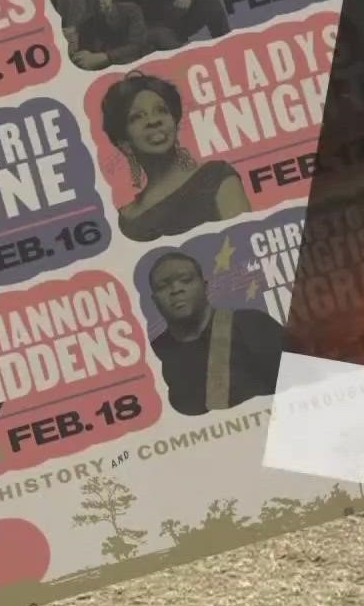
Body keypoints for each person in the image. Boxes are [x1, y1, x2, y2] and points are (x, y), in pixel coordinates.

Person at [99, 72, 250, 243]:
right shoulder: (126, 220)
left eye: (161, 111)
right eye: (137, 117)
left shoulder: (215, 178)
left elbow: (245, 245)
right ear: (124, 143)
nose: (153, 121)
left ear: (174, 123)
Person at [145, 252, 284, 415]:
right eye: (163, 286)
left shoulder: (253, 325)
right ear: (155, 300)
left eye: (186, 280)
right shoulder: (153, 354)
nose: (176, 289)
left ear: (205, 286)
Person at [70, 0, 154, 70]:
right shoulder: (86, 25)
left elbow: (137, 46)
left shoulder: (131, 11)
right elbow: (88, 56)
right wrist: (83, 54)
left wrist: (106, 57)